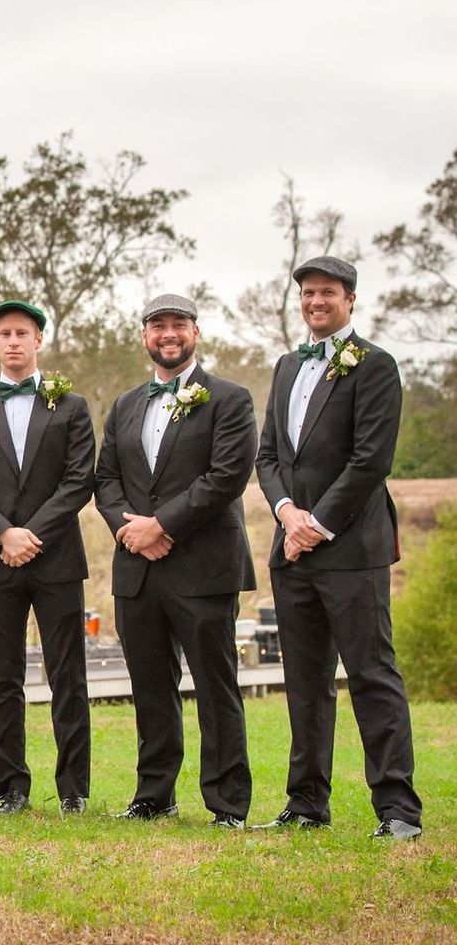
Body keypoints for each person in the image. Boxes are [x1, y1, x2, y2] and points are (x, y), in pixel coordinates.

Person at [254, 256, 422, 840]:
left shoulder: (376, 365)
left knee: (372, 674)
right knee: (305, 681)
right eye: (307, 292)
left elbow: (371, 460)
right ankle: (306, 805)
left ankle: (398, 811)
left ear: (350, 299)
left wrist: (318, 523)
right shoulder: (286, 366)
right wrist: (286, 513)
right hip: (292, 550)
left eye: (327, 292)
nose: (315, 301)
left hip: (352, 549)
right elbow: (268, 456)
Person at [95, 293, 255, 828]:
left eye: (178, 324)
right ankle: (154, 794)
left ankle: (227, 803)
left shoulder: (229, 399)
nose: (168, 334)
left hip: (204, 568)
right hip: (138, 569)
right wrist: (132, 531)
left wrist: (161, 525)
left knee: (215, 686)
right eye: (158, 325)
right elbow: (105, 480)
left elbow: (226, 477)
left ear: (195, 332)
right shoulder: (125, 405)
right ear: (145, 336)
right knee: (149, 687)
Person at [0, 300, 95, 817]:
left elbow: (79, 480)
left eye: (23, 333)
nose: (13, 341)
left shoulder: (71, 406)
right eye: (5, 334)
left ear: (38, 340)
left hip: (56, 558)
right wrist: (3, 534)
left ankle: (74, 790)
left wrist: (31, 534)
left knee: (67, 676)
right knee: (2, 679)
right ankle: (10, 789)